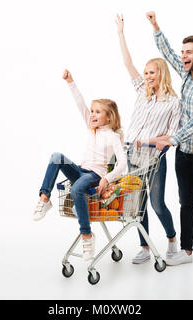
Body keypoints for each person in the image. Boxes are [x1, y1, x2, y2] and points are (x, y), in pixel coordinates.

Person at [146, 11, 193, 266]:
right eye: (183, 53)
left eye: (189, 52)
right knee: (185, 202)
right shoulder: (186, 74)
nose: (183, 57)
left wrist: (171, 138)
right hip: (184, 151)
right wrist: (156, 26)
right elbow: (167, 52)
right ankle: (187, 251)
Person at [33, 69, 127, 261]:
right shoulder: (91, 128)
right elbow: (79, 103)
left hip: (94, 176)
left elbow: (122, 164)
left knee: (77, 188)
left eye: (97, 112)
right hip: (81, 171)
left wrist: (106, 179)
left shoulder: (113, 136)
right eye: (92, 111)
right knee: (56, 156)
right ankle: (44, 198)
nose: (92, 114)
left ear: (109, 117)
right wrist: (70, 82)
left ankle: (86, 235)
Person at [115, 14, 182, 264]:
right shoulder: (141, 93)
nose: (147, 76)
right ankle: (144, 246)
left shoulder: (173, 102)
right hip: (131, 155)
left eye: (151, 72)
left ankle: (172, 240)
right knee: (137, 205)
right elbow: (127, 63)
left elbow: (173, 135)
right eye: (145, 72)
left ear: (161, 73)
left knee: (156, 204)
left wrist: (150, 141)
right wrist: (121, 33)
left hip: (153, 159)